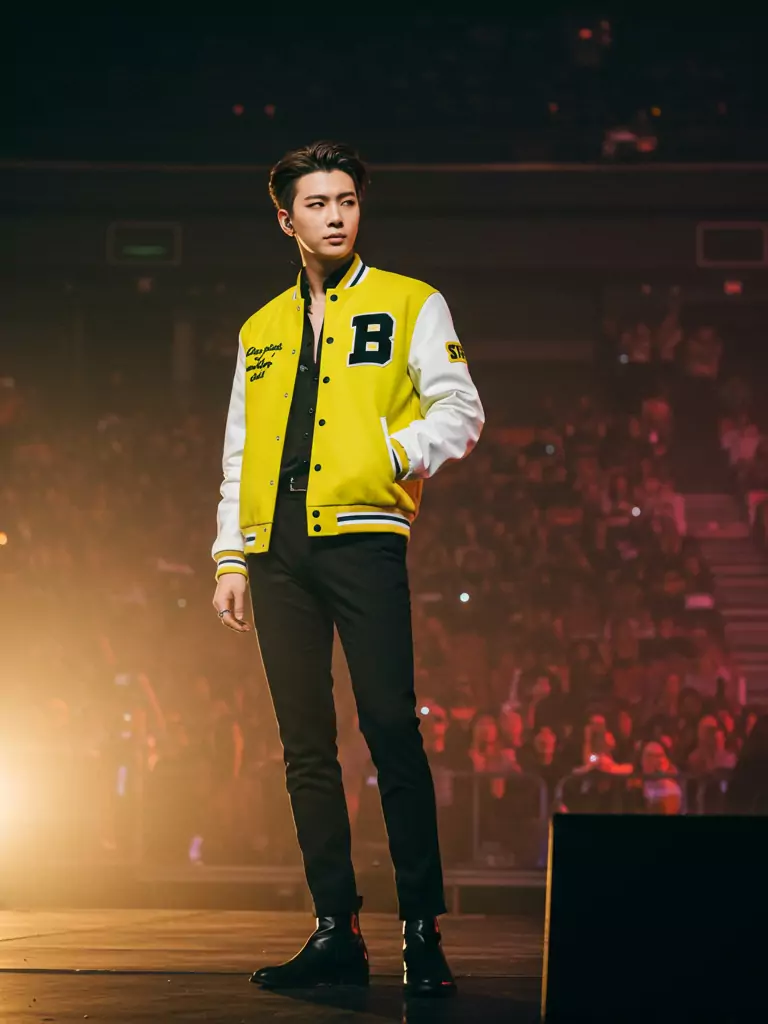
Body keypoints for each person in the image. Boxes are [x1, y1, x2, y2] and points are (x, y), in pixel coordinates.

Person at [210, 141, 484, 996]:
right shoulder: (260, 327)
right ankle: (335, 928)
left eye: (348, 202)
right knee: (304, 747)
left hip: (364, 536)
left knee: (391, 729)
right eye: (318, 204)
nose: (336, 216)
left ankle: (420, 930)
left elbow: (461, 408)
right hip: (274, 549)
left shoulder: (411, 301)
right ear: (285, 219)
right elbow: (240, 449)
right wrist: (230, 556)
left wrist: (392, 455)